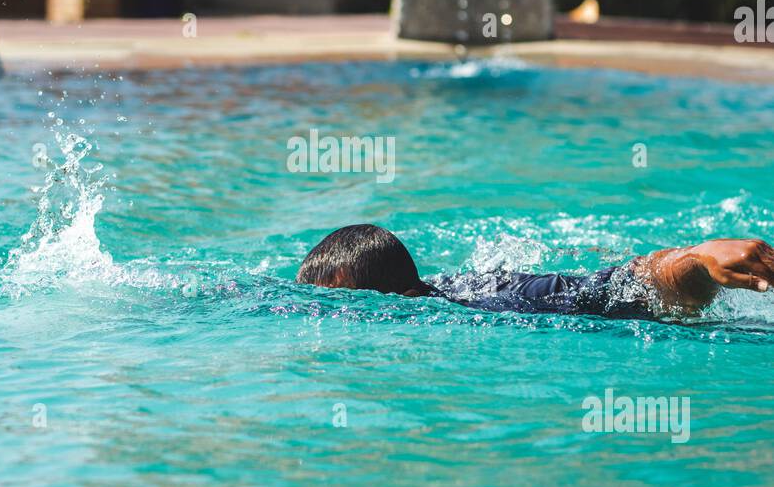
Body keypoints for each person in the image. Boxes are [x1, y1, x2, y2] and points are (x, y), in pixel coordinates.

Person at [295, 223, 774, 318]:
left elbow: (616, 288)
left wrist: (691, 262)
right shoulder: (435, 292)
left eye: (337, 301)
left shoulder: (497, 302)